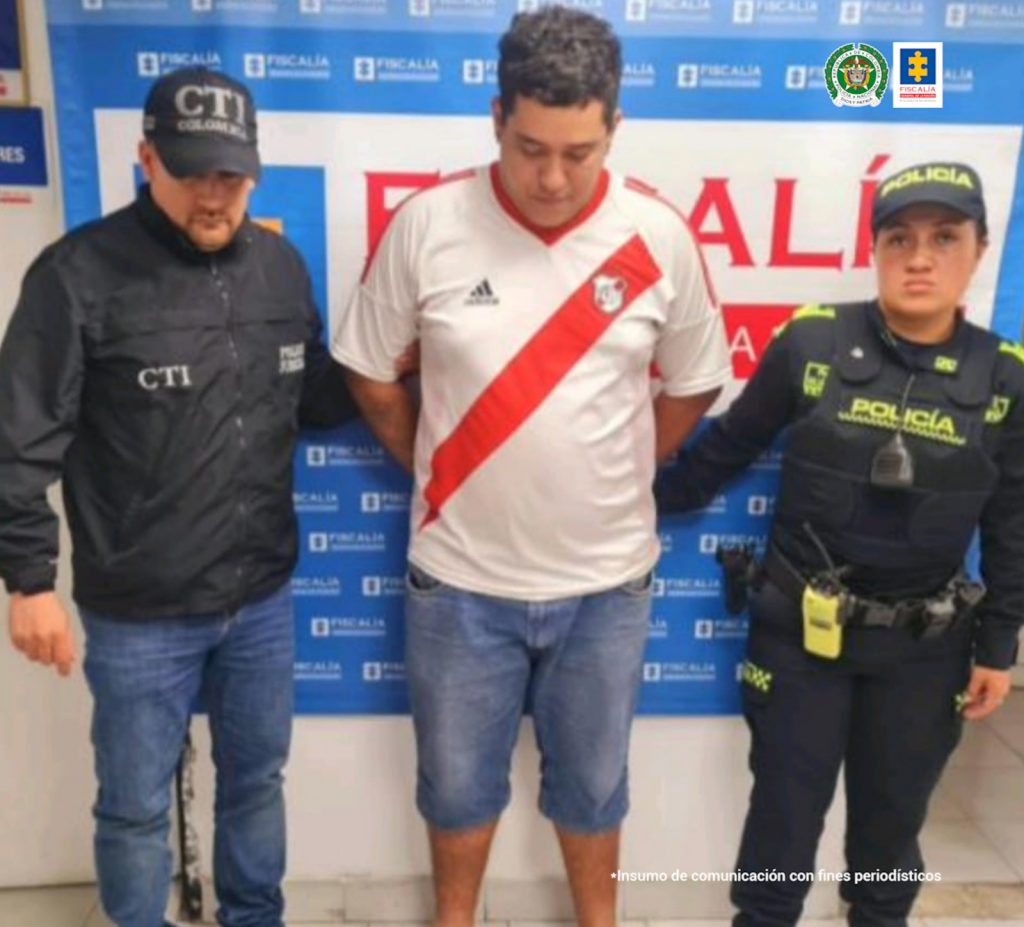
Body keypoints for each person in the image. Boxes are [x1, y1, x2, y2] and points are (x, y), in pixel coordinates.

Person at [332, 7, 731, 925]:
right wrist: (435, 464)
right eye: (530, 147)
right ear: (495, 117)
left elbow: (697, 381)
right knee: (457, 788)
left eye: (579, 151)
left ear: (615, 129)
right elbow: (367, 364)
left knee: (594, 787)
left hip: (606, 587)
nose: (552, 177)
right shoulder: (428, 224)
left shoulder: (658, 237)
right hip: (459, 583)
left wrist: (623, 469)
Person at [0, 67, 359, 927]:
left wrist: (396, 357)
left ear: (254, 170)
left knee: (255, 784)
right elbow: (20, 439)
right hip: (138, 613)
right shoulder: (75, 276)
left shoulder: (279, 266)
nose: (212, 194)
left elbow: (311, 399)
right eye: (191, 170)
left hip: (261, 599)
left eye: (230, 175)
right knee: (131, 807)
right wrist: (29, 580)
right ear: (144, 157)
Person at [657, 161, 1024, 927]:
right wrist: (624, 496)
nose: (920, 257)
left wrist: (999, 642)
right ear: (877, 250)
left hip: (925, 653)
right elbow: (721, 451)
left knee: (889, 834)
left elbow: (1012, 521)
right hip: (799, 640)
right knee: (783, 823)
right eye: (900, 238)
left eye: (944, 238)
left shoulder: (1006, 378)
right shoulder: (812, 338)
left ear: (979, 249)